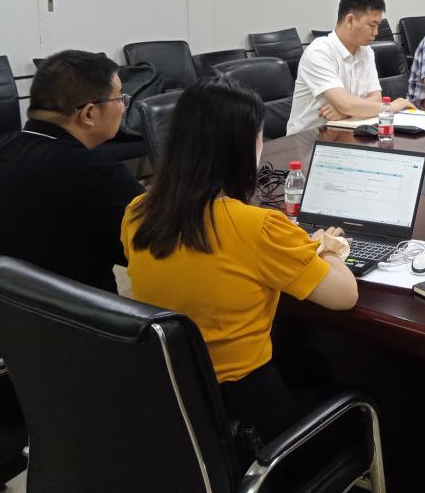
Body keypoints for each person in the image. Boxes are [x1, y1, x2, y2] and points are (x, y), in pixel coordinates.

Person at [121, 77, 358, 439]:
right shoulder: (258, 227)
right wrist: (328, 247)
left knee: (308, 362)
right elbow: (345, 296)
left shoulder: (137, 211)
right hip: (248, 408)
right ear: (244, 147)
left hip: (176, 396)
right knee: (351, 386)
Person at [0, 50, 143, 293]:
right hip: (79, 312)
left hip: (4, 309)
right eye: (119, 98)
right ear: (89, 113)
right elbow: (156, 248)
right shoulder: (97, 173)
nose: (124, 107)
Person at [287, 0, 414, 134]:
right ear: (350, 20)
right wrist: (390, 107)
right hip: (306, 139)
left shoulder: (366, 51)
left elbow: (375, 98)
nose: (376, 32)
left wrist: (346, 112)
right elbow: (346, 103)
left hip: (346, 132)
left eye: (378, 26)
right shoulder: (319, 51)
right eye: (372, 25)